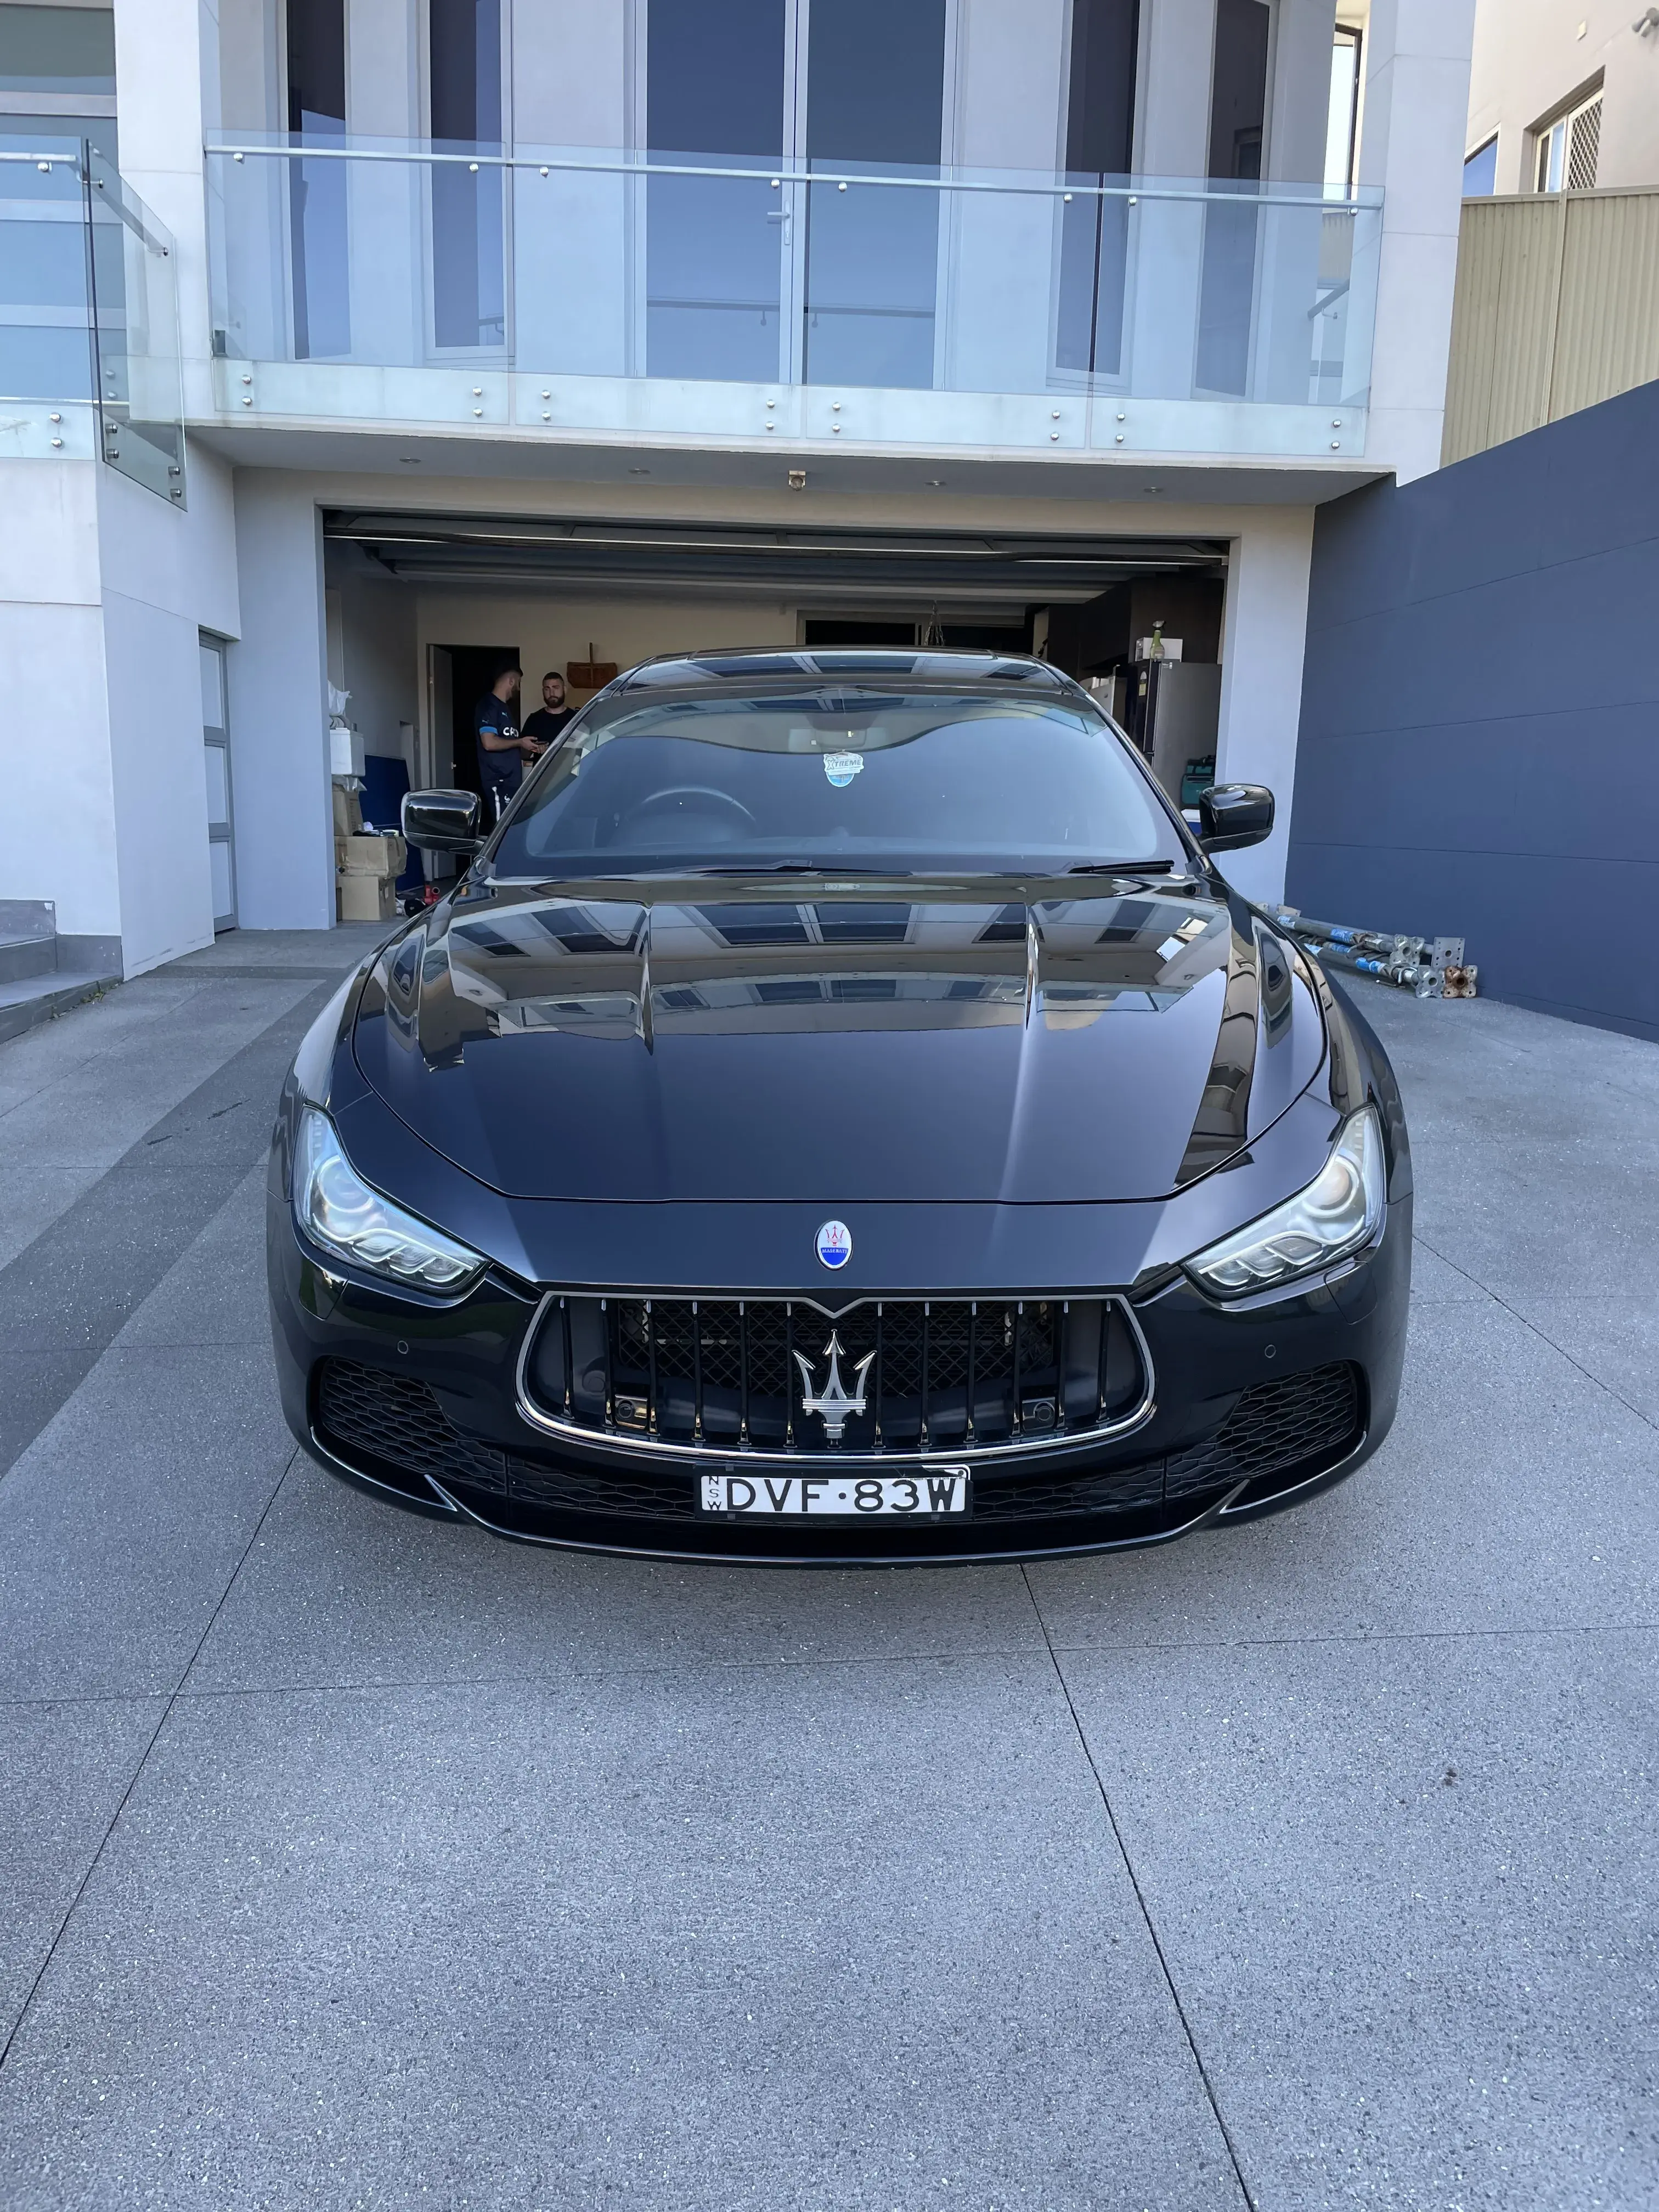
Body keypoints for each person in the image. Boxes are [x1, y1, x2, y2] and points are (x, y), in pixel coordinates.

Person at [473, 662, 539, 820]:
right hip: (499, 782)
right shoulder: (488, 705)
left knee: (511, 831)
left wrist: (527, 747)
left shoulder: (506, 710)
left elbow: (511, 746)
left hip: (512, 783)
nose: (519, 688)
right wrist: (520, 742)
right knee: (502, 832)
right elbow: (489, 743)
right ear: (511, 681)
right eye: (519, 683)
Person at [521, 669, 574, 751]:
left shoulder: (575, 718)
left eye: (556, 688)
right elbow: (522, 754)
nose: (552, 693)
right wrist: (534, 748)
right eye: (547, 689)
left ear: (564, 690)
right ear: (543, 692)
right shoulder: (534, 719)